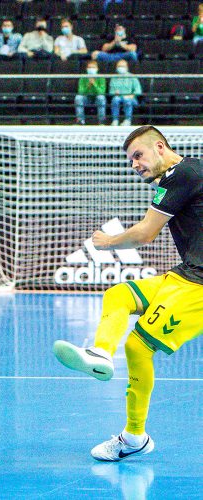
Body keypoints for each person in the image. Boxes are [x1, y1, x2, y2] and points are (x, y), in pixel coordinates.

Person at [53, 125, 202, 462]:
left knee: (138, 345)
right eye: (130, 159)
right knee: (119, 295)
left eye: (139, 155)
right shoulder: (183, 175)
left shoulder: (184, 173)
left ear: (160, 147)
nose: (134, 164)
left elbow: (146, 233)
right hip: (187, 273)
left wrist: (107, 241)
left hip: (201, 285)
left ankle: (134, 436)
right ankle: (102, 354)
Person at [109, 59, 142, 126]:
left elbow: (138, 91)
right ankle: (115, 120)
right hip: (118, 97)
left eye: (123, 66)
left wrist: (131, 95)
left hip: (131, 99)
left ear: (127, 67)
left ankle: (127, 120)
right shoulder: (114, 78)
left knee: (127, 100)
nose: (121, 68)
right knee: (115, 99)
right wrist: (115, 93)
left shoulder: (132, 77)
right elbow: (111, 92)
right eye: (119, 66)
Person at [74, 60, 106, 125]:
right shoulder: (83, 77)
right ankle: (80, 121)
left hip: (97, 99)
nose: (91, 69)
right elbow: (80, 91)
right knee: (78, 98)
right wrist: (88, 86)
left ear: (97, 69)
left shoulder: (101, 78)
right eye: (89, 67)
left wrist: (94, 84)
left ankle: (101, 121)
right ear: (87, 69)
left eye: (93, 68)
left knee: (101, 98)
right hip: (86, 98)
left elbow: (101, 92)